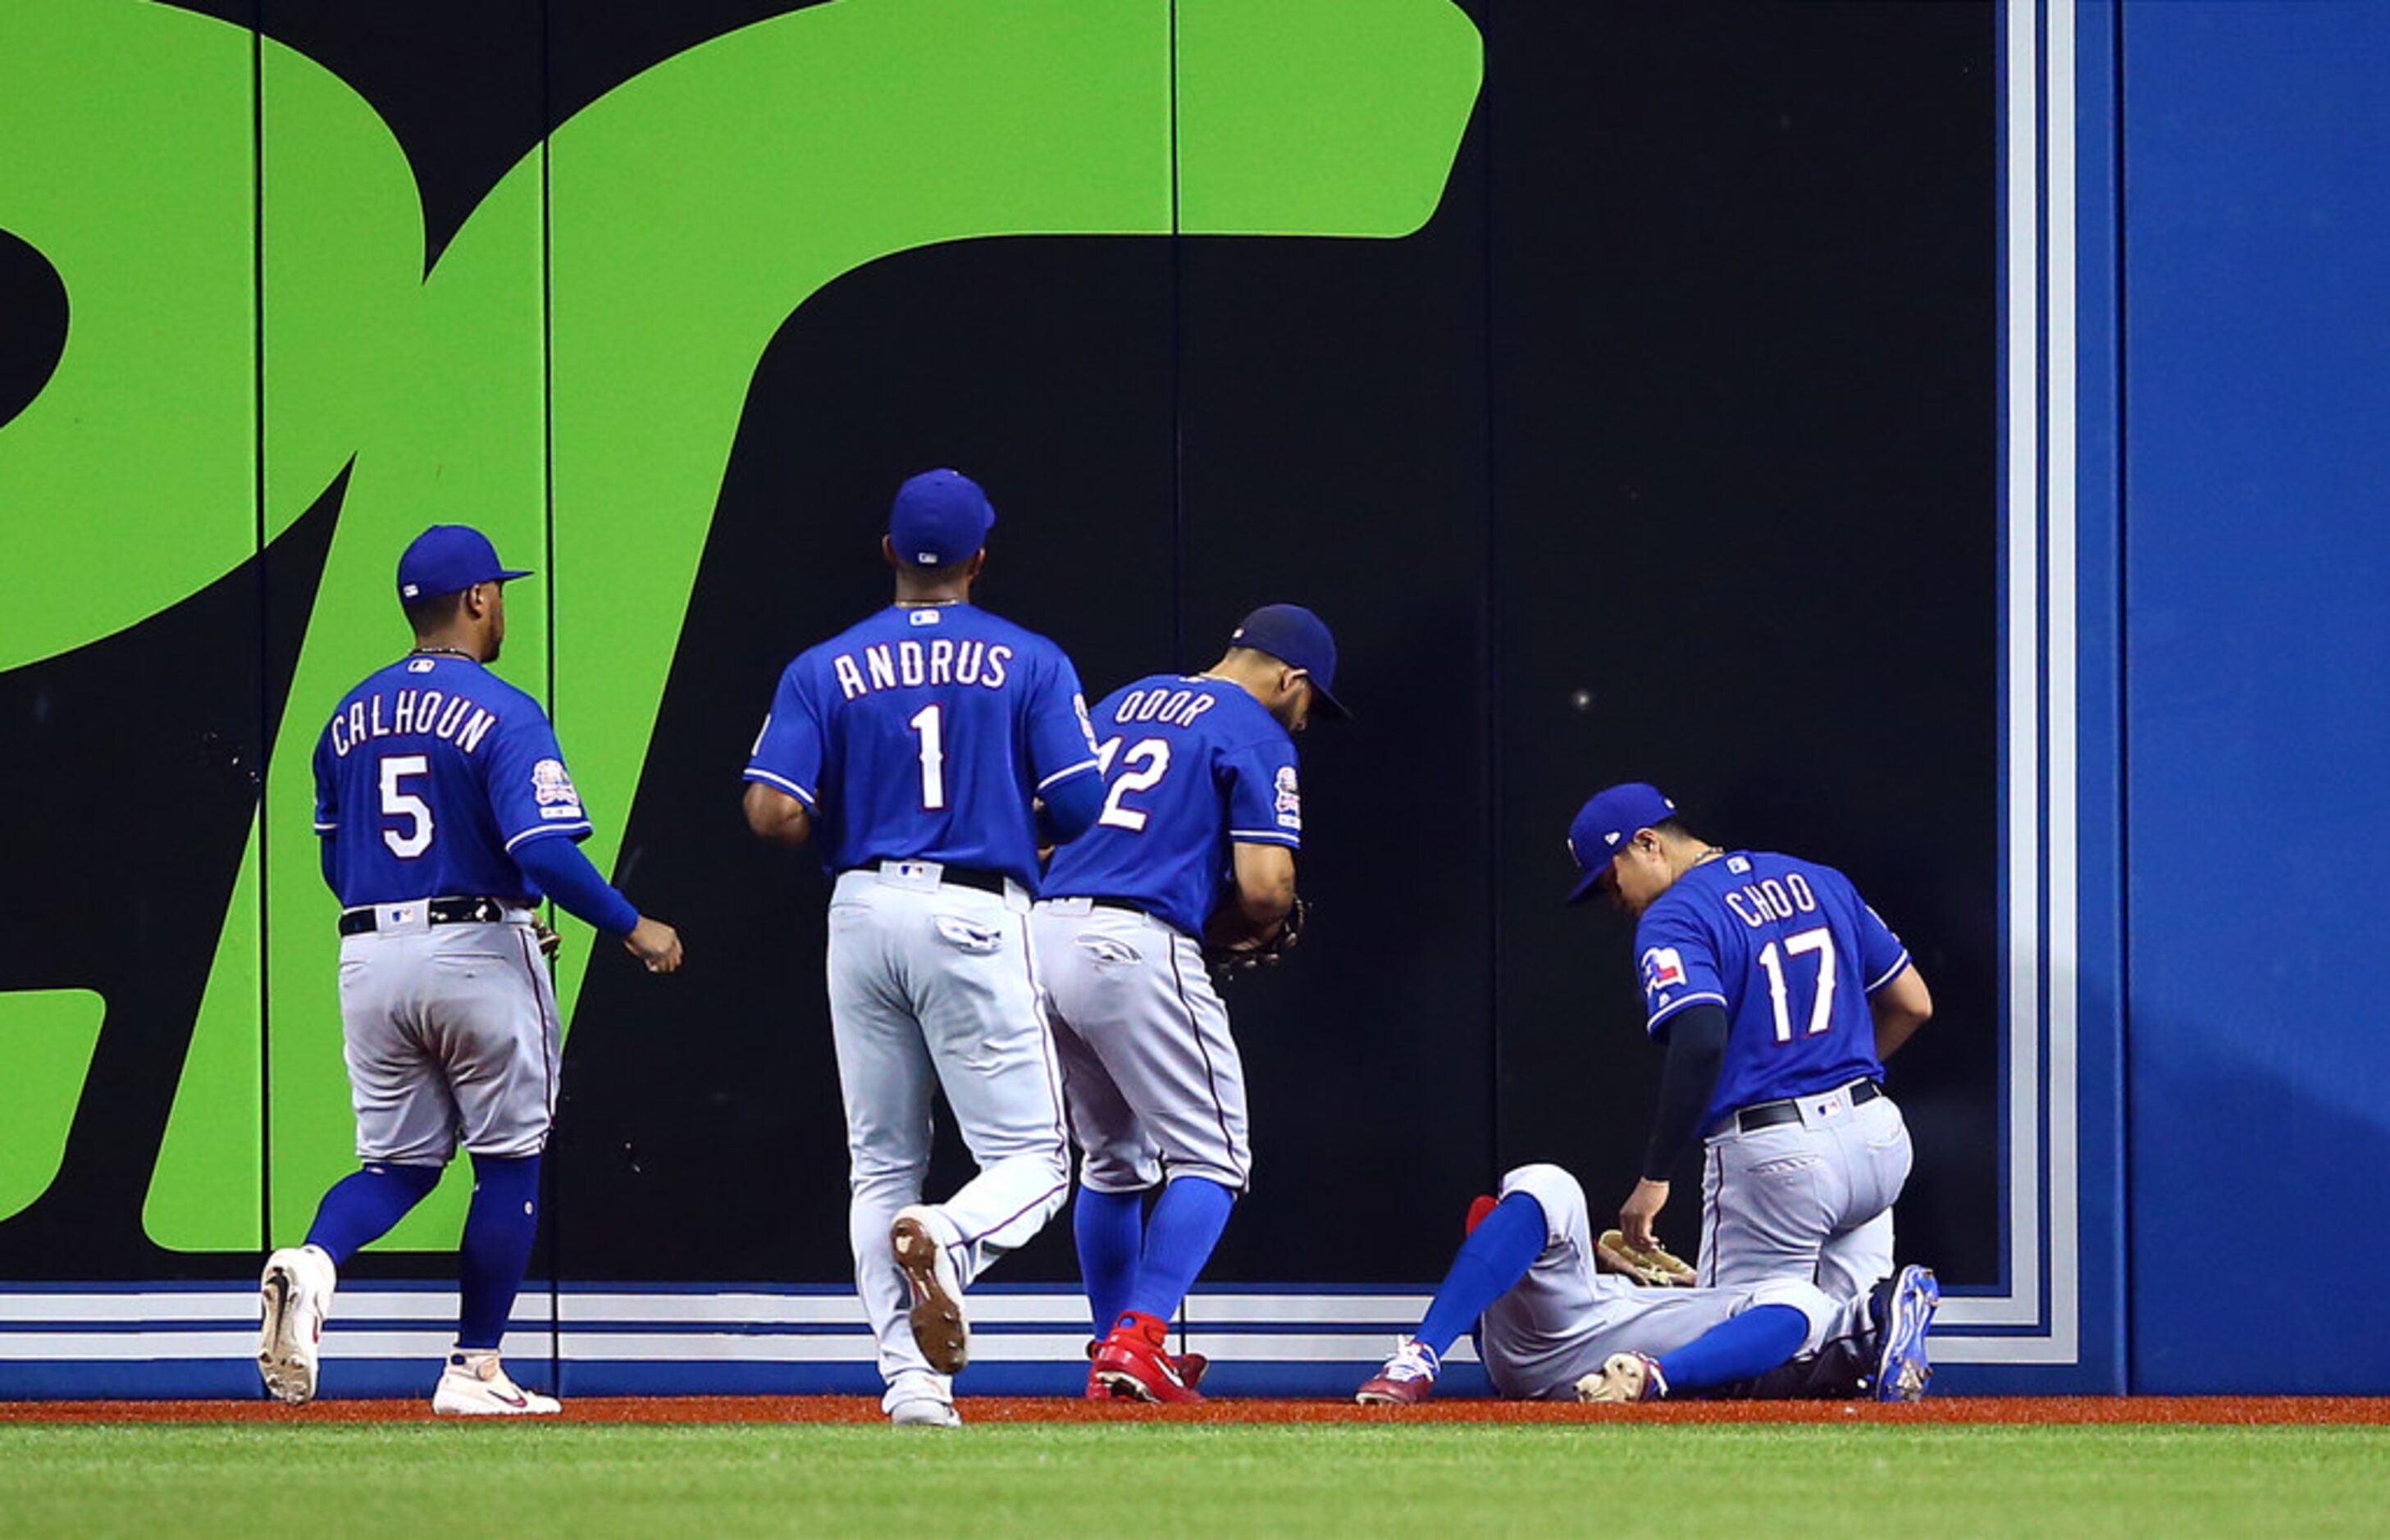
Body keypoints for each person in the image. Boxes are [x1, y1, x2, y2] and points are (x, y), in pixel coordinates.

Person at [258, 524, 684, 1416]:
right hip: (476, 948)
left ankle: (314, 1260)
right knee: (508, 1164)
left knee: (398, 1168)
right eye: (500, 593)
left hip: (369, 953)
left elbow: (340, 866)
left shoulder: (348, 715)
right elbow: (544, 848)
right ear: (481, 600)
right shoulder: (502, 708)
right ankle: (473, 1370)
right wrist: (628, 924)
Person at [741, 468, 1104, 1428]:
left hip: (860, 908)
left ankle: (910, 1384)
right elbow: (1078, 803)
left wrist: (845, 811)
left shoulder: (824, 665)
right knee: (1032, 1161)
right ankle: (946, 1234)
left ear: (890, 554)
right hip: (976, 908)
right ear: (982, 559)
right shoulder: (1030, 659)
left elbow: (772, 809)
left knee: (880, 1164)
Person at [1031, 605, 1348, 1403]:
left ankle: (1111, 1349)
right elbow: (1267, 888)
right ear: (1292, 678)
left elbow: (1040, 824)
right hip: (1134, 944)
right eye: (1311, 703)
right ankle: (1140, 1340)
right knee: (1213, 1157)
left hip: (1041, 932)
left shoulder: (1121, 703)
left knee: (1110, 1160)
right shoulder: (1256, 729)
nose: (1306, 720)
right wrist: (1237, 921)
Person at [1567, 782, 1932, 1296]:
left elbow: (1700, 1039)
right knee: (1849, 1341)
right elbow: (1914, 1003)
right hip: (1875, 1134)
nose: (1614, 897)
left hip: (1777, 1152)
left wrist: (1656, 1176)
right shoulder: (1819, 879)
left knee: (1733, 1341)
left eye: (1610, 877)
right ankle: (1877, 1326)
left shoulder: (1673, 916)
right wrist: (1832, 1070)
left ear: (1648, 843)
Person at [1354, 1163, 1940, 1405]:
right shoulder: (1502, 1293)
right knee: (1547, 1182)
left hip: (1615, 1344)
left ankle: (1652, 1380)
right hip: (1562, 1332)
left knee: (1798, 1299)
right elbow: (1489, 1226)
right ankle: (1419, 1356)